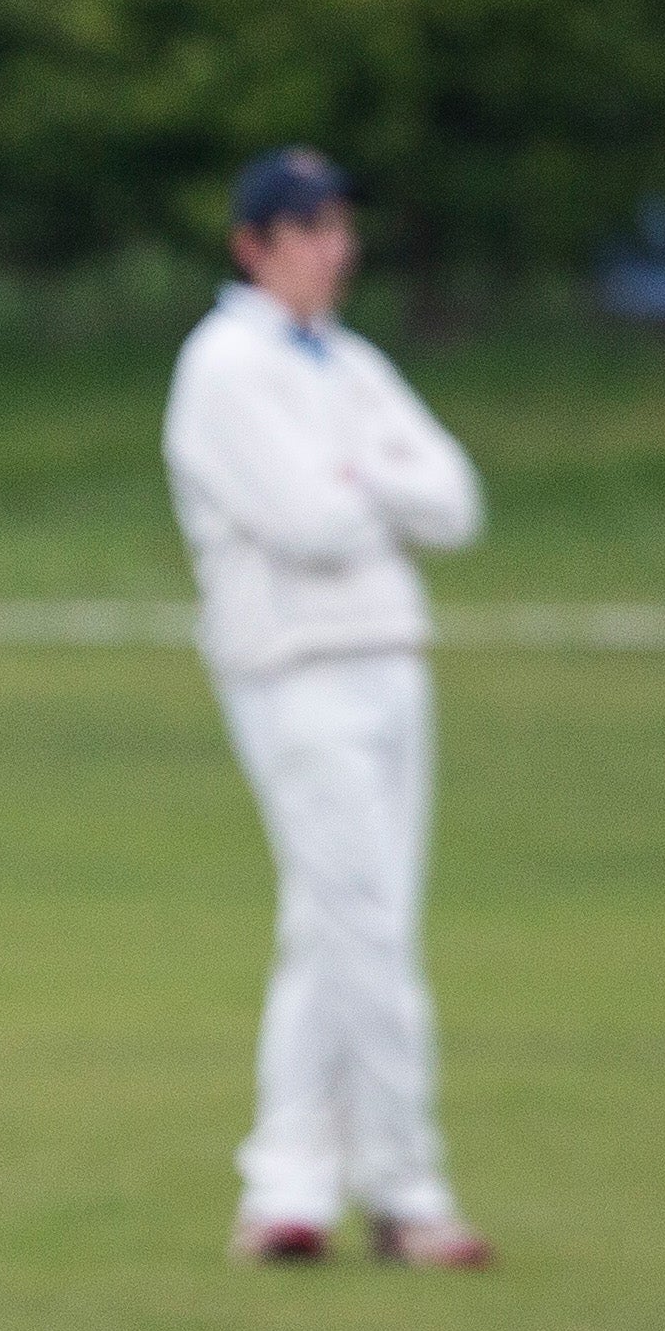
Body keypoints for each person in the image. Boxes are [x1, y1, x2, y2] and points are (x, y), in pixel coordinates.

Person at [161, 145, 493, 1269]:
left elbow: (453, 500)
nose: (331, 246)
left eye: (337, 224)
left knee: (333, 923)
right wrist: (365, 482)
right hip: (294, 666)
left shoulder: (346, 363)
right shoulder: (225, 366)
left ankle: (289, 1193)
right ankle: (408, 1194)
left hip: (390, 656)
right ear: (253, 246)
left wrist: (362, 477)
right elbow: (307, 521)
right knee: (363, 924)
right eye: (304, 228)